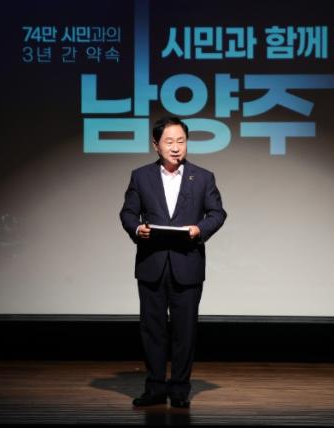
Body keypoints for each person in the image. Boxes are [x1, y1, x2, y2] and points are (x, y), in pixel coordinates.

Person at [119, 116, 227, 408]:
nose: (176, 147)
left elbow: (217, 213)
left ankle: (179, 390)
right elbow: (128, 213)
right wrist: (136, 229)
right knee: (152, 330)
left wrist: (199, 230)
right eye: (169, 141)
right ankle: (155, 388)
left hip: (187, 264)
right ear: (156, 145)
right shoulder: (141, 176)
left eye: (181, 141)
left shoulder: (203, 177)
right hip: (151, 264)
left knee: (185, 332)